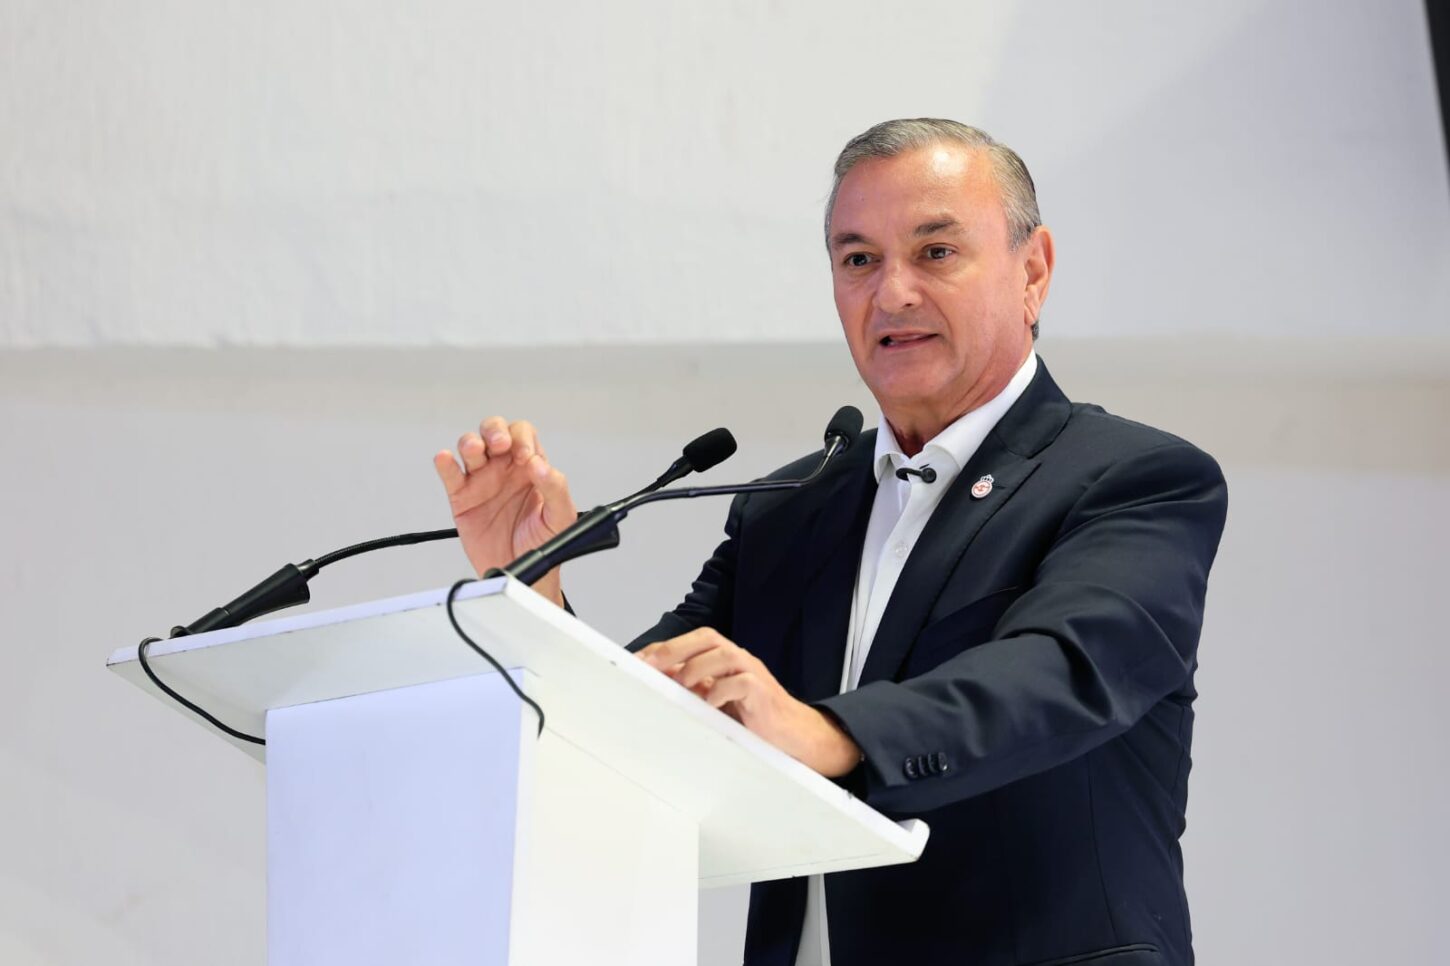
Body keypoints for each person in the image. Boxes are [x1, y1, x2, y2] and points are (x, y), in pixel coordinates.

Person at [432, 119, 1227, 966]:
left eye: (935, 252)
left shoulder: (1135, 479)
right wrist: (532, 587)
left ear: (1032, 272)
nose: (892, 293)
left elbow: (1057, 677)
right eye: (858, 260)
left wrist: (827, 733)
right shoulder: (792, 510)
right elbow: (645, 718)